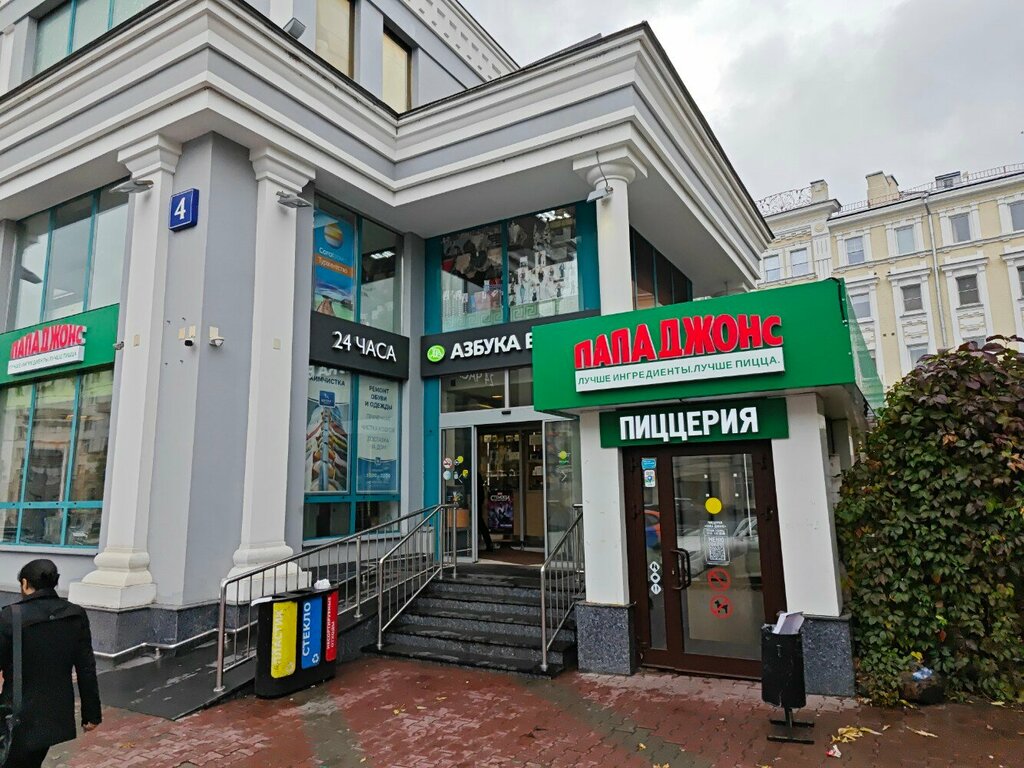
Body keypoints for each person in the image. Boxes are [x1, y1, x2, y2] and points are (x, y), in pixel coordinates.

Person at [0, 560, 101, 768]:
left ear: (25, 583)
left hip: (17, 715)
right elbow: (86, 668)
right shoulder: (75, 614)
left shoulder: (11, 616)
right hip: (55, 714)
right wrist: (91, 714)